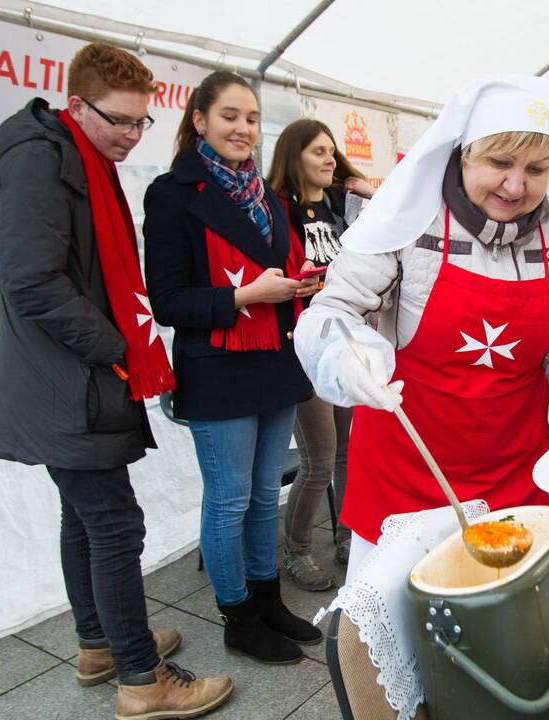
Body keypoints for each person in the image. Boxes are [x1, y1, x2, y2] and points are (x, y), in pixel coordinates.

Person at [0, 43, 231, 719]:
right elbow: (33, 284)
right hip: (71, 380)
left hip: (70, 378)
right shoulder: (39, 162)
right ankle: (142, 680)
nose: (132, 134)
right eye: (120, 120)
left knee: (86, 518)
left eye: (142, 122)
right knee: (116, 525)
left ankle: (99, 642)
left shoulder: (73, 155)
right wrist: (119, 348)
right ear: (76, 105)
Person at [293, 75, 549, 580]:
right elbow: (332, 312)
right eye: (500, 163)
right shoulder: (407, 219)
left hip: (519, 472)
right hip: (406, 466)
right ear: (464, 154)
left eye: (537, 169)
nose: (516, 185)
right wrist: (344, 354)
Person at [143, 71, 322, 664]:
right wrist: (248, 297)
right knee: (229, 500)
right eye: (229, 117)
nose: (243, 128)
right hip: (219, 369)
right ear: (199, 120)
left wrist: (301, 286)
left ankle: (267, 600)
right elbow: (167, 301)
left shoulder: (268, 196)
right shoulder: (173, 194)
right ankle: (237, 616)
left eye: (251, 118)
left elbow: (276, 273)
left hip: (275, 362)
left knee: (264, 496)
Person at [266, 118, 375, 589]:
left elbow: (384, 229)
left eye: (332, 151)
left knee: (351, 451)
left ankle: (348, 536)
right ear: (295, 157)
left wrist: (363, 187)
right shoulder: (278, 210)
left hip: (345, 342)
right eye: (318, 152)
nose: (330, 159)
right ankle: (298, 551)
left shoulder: (337, 204)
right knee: (321, 458)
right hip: (303, 348)